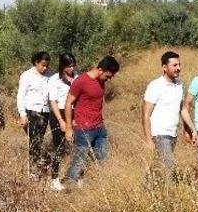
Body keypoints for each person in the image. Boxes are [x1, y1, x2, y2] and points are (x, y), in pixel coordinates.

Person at [64, 56, 120, 187]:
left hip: (100, 128)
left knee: (101, 159)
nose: (110, 78)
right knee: (79, 160)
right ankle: (69, 188)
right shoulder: (81, 81)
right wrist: (68, 127)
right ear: (100, 69)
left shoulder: (101, 82)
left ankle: (92, 187)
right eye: (108, 75)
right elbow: (68, 103)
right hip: (84, 129)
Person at [142, 51, 198, 183]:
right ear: (164, 67)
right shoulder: (155, 86)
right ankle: (170, 197)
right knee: (169, 167)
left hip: (173, 134)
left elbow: (182, 110)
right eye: (174, 65)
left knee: (158, 166)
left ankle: (147, 187)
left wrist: (192, 129)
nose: (178, 68)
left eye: (179, 64)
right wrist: (148, 140)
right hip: (159, 134)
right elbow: (145, 114)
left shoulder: (179, 85)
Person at [16, 51, 52, 178]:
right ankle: (32, 170)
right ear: (36, 62)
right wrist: (22, 114)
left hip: (45, 112)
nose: (45, 68)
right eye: (43, 65)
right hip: (31, 111)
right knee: (34, 140)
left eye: (47, 65)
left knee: (39, 139)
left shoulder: (50, 75)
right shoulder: (27, 75)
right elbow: (20, 95)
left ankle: (39, 164)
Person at [47, 53, 77, 192]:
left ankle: (75, 175)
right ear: (62, 66)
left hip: (73, 112)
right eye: (68, 66)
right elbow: (52, 101)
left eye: (73, 65)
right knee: (59, 147)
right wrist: (61, 121)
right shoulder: (54, 79)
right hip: (58, 113)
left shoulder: (76, 78)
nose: (71, 68)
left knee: (77, 145)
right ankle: (54, 179)